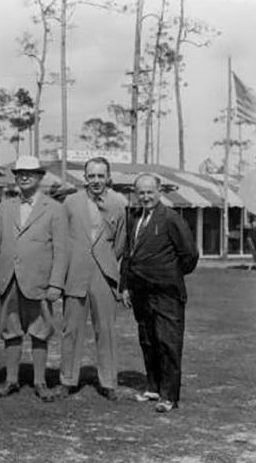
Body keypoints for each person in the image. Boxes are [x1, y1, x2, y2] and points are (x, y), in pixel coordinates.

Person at [121, 173, 198, 413]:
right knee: (148, 341)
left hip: (166, 294)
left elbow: (190, 256)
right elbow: (128, 255)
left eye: (149, 192)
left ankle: (169, 396)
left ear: (159, 191)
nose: (145, 197)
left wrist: (168, 275)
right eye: (141, 193)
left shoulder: (171, 218)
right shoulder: (134, 218)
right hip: (140, 292)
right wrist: (125, 286)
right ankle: (153, 387)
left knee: (168, 343)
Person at [0, 156, 67, 403]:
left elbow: (61, 250)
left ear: (40, 177)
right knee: (10, 330)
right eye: (20, 173)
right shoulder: (5, 206)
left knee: (40, 330)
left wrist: (56, 283)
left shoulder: (54, 209)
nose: (24, 177)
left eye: (30, 173)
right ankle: (11, 380)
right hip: (9, 280)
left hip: (39, 282)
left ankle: (39, 381)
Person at [53, 157, 127, 401]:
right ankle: (67, 380)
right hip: (75, 274)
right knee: (71, 330)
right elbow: (62, 242)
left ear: (108, 177)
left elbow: (120, 244)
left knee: (105, 330)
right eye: (91, 176)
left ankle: (108, 382)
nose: (96, 181)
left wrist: (104, 261)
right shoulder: (70, 202)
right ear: (84, 177)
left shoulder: (119, 203)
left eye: (100, 176)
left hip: (104, 276)